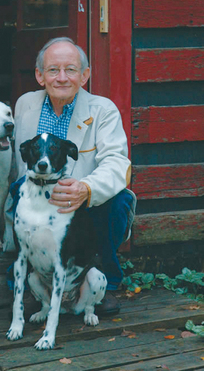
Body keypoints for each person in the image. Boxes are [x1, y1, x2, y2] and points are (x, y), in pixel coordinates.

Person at [7, 37, 136, 315]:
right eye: (53, 70)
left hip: (83, 207)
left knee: (119, 199)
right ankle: (33, 284)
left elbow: (117, 163)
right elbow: (17, 163)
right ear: (40, 76)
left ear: (85, 75)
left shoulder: (103, 109)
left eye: (71, 70)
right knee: (19, 189)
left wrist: (86, 188)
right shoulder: (25, 104)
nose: (62, 78)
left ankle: (105, 280)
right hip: (39, 201)